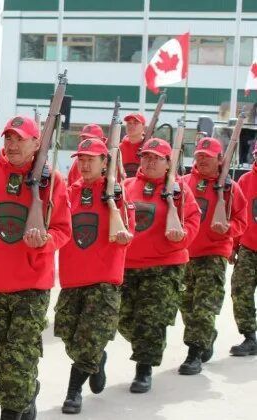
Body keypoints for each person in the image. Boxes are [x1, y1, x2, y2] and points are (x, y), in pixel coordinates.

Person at [0, 116, 71, 420]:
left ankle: (13, 408)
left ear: (36, 143)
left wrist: (45, 241)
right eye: (9, 138)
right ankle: (26, 391)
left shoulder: (51, 180)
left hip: (32, 287)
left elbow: (63, 229)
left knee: (19, 357)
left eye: (19, 139)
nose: (12, 144)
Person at [56, 137, 135, 414]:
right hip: (72, 279)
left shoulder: (115, 193)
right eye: (82, 159)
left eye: (91, 159)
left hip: (104, 280)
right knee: (68, 335)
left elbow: (128, 228)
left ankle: (73, 392)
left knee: (89, 338)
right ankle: (96, 360)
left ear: (105, 163)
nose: (85, 164)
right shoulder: (69, 193)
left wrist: (125, 235)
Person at [119, 138, 200, 393]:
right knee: (124, 318)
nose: (150, 162)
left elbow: (192, 220)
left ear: (168, 163)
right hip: (127, 265)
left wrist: (181, 237)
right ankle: (147, 346)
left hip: (164, 267)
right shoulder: (127, 186)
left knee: (151, 319)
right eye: (146, 156)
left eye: (156, 158)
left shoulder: (179, 190)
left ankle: (143, 369)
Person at [179, 137, 247, 374]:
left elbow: (241, 221)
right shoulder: (183, 183)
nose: (202, 160)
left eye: (207, 157)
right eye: (199, 155)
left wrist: (228, 229)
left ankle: (194, 354)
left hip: (214, 253)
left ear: (220, 159)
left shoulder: (230, 187)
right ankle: (206, 335)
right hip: (185, 254)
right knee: (186, 305)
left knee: (204, 306)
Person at [230, 142, 257, 356]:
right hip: (249, 248)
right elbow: (238, 215)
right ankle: (250, 337)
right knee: (240, 290)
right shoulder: (245, 181)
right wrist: (233, 245)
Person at [119, 113, 146, 177]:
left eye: (135, 123)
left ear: (143, 127)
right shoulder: (119, 148)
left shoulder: (150, 149)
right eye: (129, 123)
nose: (131, 125)